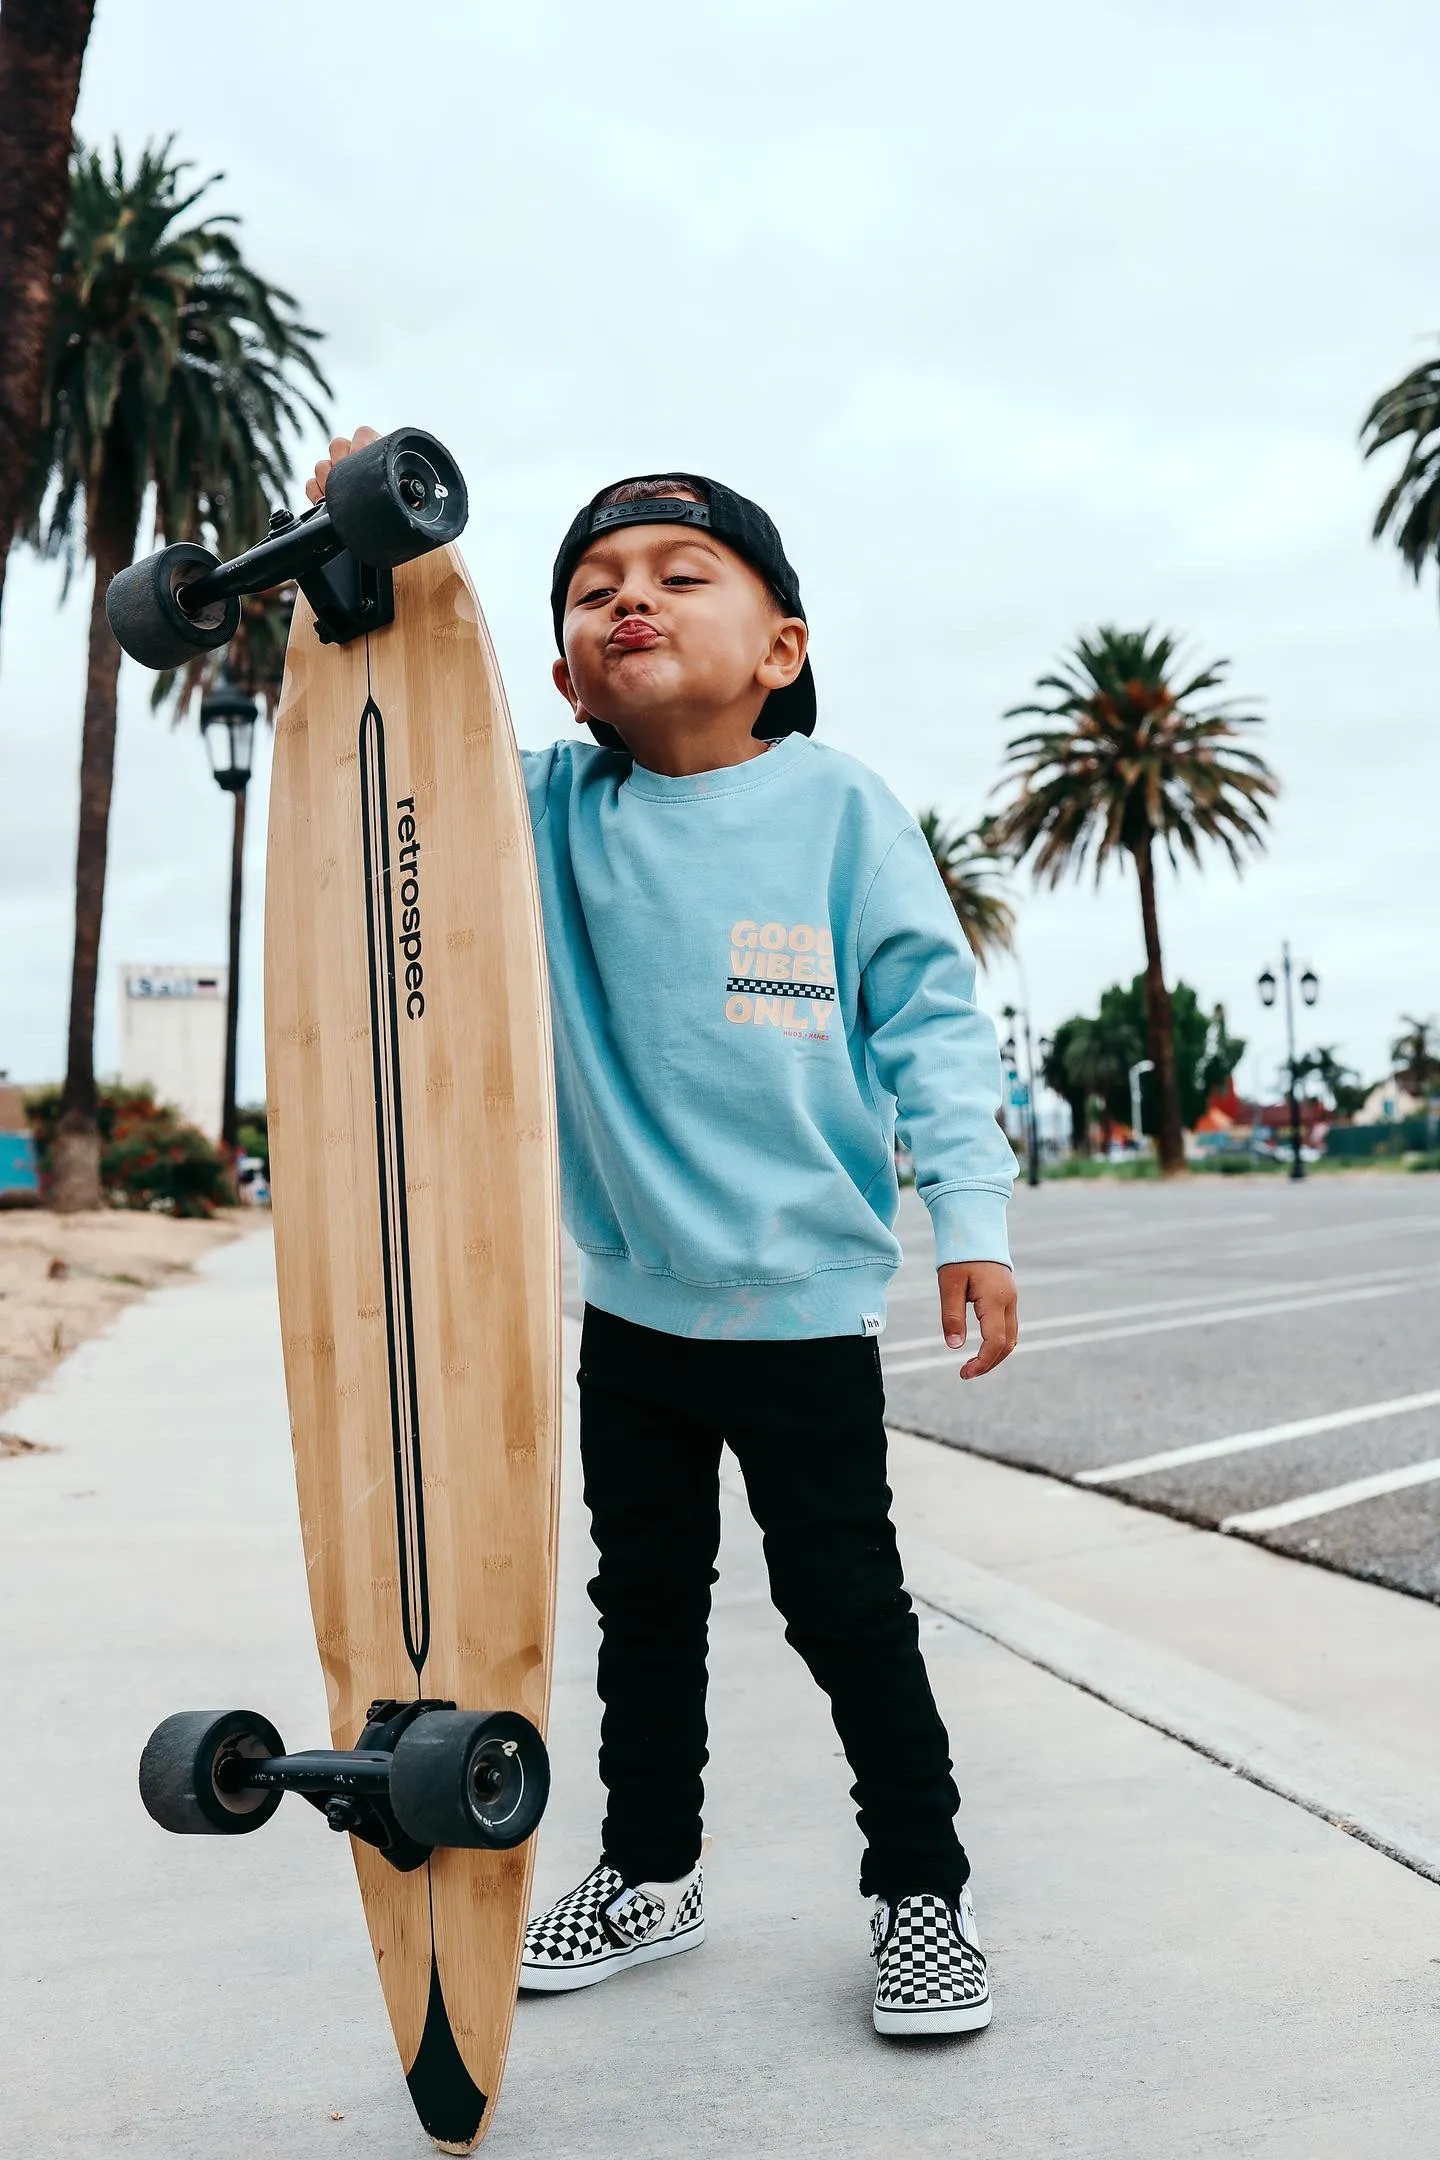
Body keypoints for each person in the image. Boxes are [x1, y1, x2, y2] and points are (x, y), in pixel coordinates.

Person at [307, 433, 1020, 2036]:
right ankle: (650, 1868)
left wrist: (970, 1221)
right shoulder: (544, 813)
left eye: (680, 578)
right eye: (592, 593)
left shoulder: (839, 810)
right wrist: (366, 548)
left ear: (781, 649)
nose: (630, 601)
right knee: (645, 1609)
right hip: (631, 1315)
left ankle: (923, 1894)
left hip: (802, 1312)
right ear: (564, 678)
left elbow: (933, 1022)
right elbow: (407, 741)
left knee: (849, 1615)